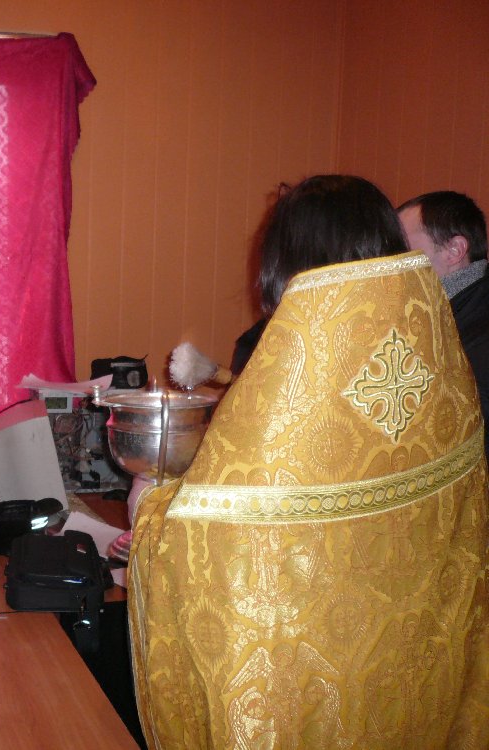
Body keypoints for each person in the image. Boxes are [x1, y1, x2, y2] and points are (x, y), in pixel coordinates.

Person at [128, 175, 489, 749]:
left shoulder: (297, 378)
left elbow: (216, 544)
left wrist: (149, 507)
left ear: (290, 265)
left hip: (312, 696)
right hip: (415, 676)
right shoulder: (441, 354)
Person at [398, 190, 489, 454]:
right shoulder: (431, 309)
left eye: (403, 248)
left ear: (454, 251)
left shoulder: (480, 335)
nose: (392, 262)